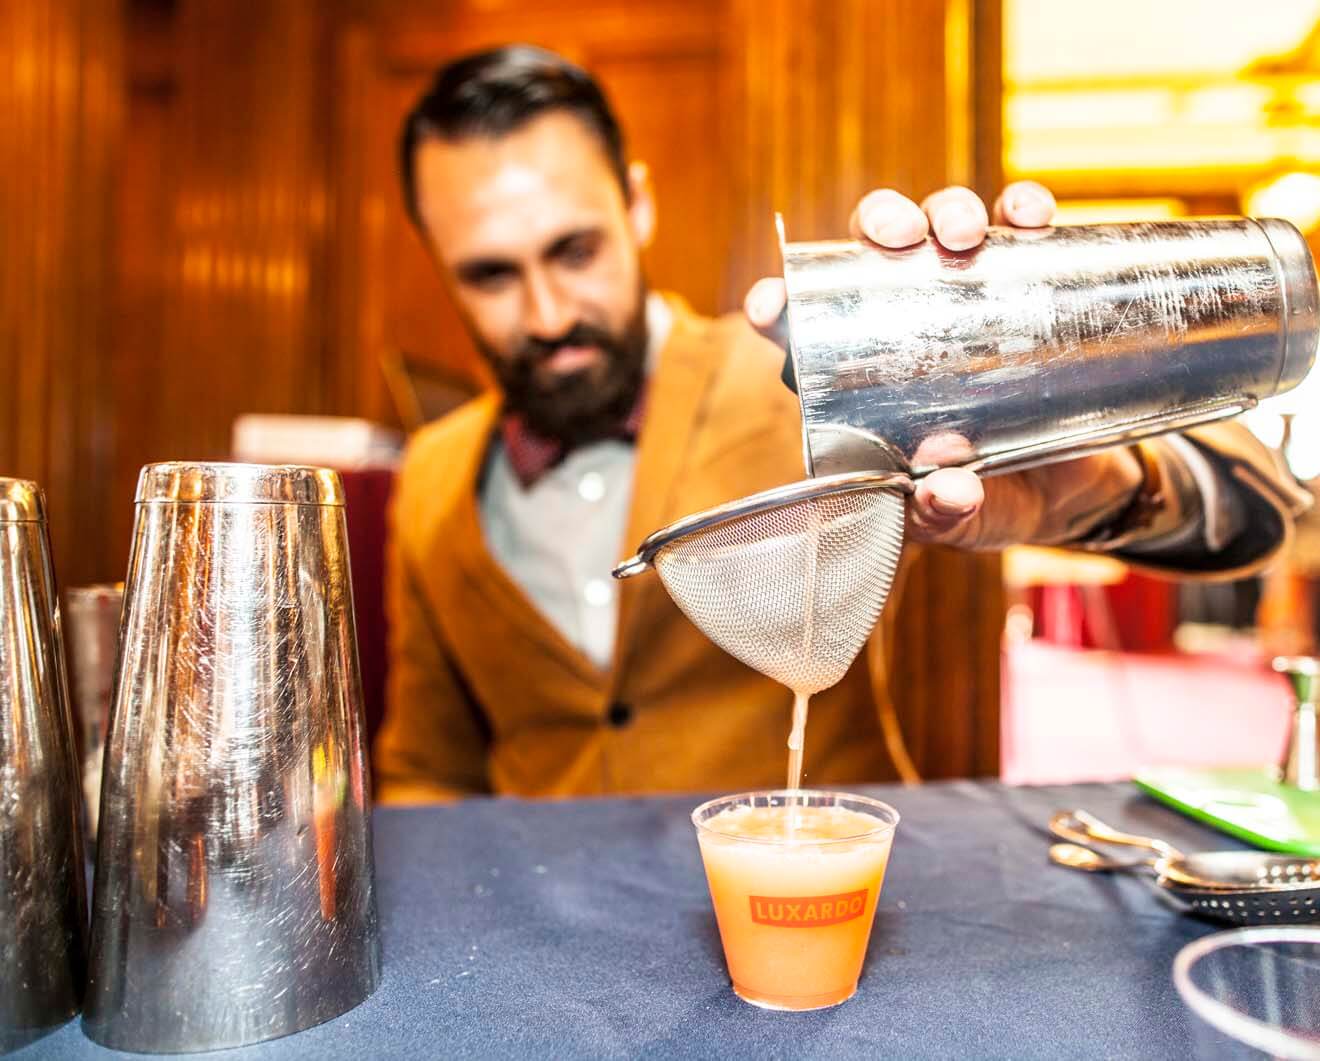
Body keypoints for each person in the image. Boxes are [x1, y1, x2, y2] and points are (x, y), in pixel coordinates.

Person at [374, 44, 1311, 801]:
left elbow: (1260, 503)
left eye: (574, 250)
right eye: (490, 274)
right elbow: (429, 767)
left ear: (639, 204)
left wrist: (1094, 488)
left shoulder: (804, 374)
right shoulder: (432, 476)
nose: (544, 314)